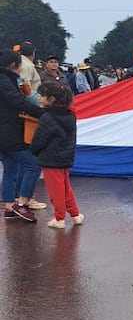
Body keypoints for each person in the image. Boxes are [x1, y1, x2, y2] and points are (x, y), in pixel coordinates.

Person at [29, 80, 83, 229]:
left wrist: (34, 150)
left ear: (51, 99)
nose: (39, 98)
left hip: (50, 159)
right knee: (66, 188)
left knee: (55, 190)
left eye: (41, 95)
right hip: (65, 158)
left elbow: (39, 139)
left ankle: (59, 218)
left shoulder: (47, 118)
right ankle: (75, 214)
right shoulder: (71, 115)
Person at [0, 48, 44, 223]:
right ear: (14, 65)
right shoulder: (5, 80)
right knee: (33, 163)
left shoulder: (8, 79)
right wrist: (41, 113)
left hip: (5, 132)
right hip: (8, 132)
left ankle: (10, 207)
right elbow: (17, 102)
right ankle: (22, 202)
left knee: (11, 168)